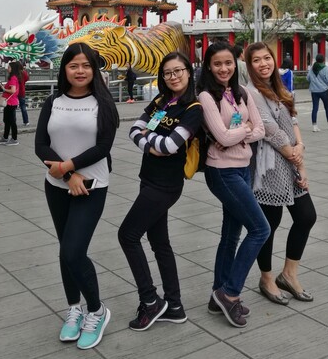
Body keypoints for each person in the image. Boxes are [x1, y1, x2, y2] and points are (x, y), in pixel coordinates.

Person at [35, 43, 119, 349]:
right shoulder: (53, 101)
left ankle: (96, 310)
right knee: (64, 250)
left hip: (92, 186)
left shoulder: (104, 103)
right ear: (65, 69)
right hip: (57, 185)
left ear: (94, 69)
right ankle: (74, 309)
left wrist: (70, 167)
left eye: (85, 65)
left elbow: (103, 147)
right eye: (74, 66)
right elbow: (41, 145)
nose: (80, 71)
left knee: (73, 251)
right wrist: (67, 176)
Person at [118, 51, 203, 331]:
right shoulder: (160, 101)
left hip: (165, 185)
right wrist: (152, 142)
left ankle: (151, 301)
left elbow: (170, 147)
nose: (173, 76)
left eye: (178, 71)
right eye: (167, 72)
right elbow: (133, 129)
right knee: (159, 243)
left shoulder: (193, 108)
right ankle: (175, 305)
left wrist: (150, 140)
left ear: (188, 72)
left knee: (128, 235)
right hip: (148, 178)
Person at [197, 42, 269, 328]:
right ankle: (230, 293)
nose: (224, 68)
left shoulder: (242, 92)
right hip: (222, 172)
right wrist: (244, 131)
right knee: (260, 228)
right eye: (217, 64)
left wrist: (237, 133)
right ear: (209, 67)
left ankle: (218, 295)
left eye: (228, 63)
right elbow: (222, 138)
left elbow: (259, 129)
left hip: (243, 169)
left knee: (231, 235)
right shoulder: (205, 96)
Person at [245, 42, 317, 305]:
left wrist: (300, 152)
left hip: (291, 162)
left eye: (267, 58)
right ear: (249, 65)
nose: (263, 63)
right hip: (268, 168)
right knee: (269, 225)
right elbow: (269, 128)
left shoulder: (282, 88)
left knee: (307, 216)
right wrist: (292, 152)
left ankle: (289, 274)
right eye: (256, 60)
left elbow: (293, 121)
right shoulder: (251, 92)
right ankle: (266, 278)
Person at [307, 53, 328, 132]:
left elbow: (308, 78)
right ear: (323, 60)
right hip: (323, 90)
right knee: (327, 107)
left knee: (315, 108)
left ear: (316, 60)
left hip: (314, 90)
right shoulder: (326, 68)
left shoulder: (312, 68)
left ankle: (314, 126)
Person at [0, 61, 21, 145]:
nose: (7, 68)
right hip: (10, 102)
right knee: (7, 120)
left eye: (9, 67)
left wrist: (4, 89)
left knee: (11, 121)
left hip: (11, 102)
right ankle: (5, 137)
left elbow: (13, 90)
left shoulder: (13, 77)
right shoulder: (15, 77)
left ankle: (14, 138)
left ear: (13, 68)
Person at [17, 61, 30, 126]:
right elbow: (27, 78)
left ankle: (12, 121)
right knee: (23, 107)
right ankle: (26, 121)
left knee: (12, 107)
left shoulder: (14, 73)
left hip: (14, 92)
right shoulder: (24, 72)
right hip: (22, 91)